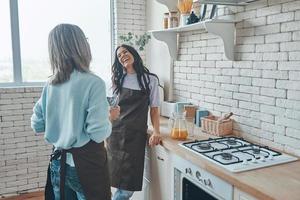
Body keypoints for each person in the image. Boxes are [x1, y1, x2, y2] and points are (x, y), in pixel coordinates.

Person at [31, 23, 120, 200]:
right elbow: (98, 133)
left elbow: (37, 124)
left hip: (58, 163)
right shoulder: (93, 82)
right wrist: (110, 117)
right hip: (86, 167)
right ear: (80, 46)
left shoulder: (50, 85)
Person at [107, 44, 162, 200]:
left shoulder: (150, 79)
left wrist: (157, 131)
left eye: (125, 52)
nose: (122, 55)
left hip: (135, 137)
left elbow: (154, 109)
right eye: (119, 56)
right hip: (115, 134)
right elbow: (110, 108)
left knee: (127, 188)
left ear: (133, 54)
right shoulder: (117, 80)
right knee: (117, 182)